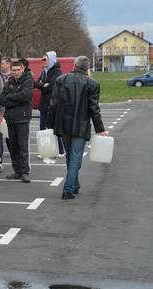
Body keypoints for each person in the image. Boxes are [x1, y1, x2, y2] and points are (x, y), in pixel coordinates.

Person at [47, 56, 108, 200]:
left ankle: (74, 184)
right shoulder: (92, 83)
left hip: (63, 125)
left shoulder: (61, 80)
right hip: (81, 125)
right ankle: (68, 189)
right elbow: (94, 108)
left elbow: (53, 104)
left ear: (74, 65)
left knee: (71, 157)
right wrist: (100, 129)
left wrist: (49, 125)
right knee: (75, 158)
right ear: (87, 68)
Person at [0, 61, 34, 183]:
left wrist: (11, 97)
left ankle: (25, 172)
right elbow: (2, 100)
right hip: (10, 118)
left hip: (23, 117)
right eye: (13, 70)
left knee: (22, 146)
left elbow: (25, 96)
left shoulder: (28, 81)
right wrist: (15, 98)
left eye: (18, 69)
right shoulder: (9, 82)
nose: (15, 72)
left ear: (22, 69)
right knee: (13, 146)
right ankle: (17, 170)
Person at [35, 51, 65, 163]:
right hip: (44, 104)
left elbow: (52, 86)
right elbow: (36, 84)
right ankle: (45, 151)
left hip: (53, 104)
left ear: (51, 59)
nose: (43, 62)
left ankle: (61, 150)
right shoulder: (44, 72)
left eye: (45, 59)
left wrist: (43, 85)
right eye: (42, 60)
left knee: (53, 128)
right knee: (42, 128)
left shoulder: (57, 72)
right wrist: (43, 84)